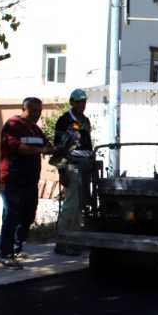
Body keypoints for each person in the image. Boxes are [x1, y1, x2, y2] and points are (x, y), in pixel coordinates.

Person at [0, 97, 53, 268]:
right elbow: (18, 148)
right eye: (33, 111)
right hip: (13, 178)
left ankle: (17, 249)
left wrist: (54, 148)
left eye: (39, 111)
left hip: (30, 180)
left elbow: (47, 145)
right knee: (11, 215)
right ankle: (4, 256)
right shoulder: (13, 125)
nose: (37, 114)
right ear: (24, 109)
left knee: (28, 215)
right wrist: (41, 150)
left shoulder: (35, 129)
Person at [52, 89, 93, 254]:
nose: (82, 104)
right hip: (71, 165)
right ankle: (62, 242)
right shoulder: (65, 120)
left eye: (84, 101)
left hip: (84, 165)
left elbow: (86, 143)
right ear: (72, 102)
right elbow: (59, 147)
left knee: (79, 206)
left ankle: (74, 240)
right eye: (78, 101)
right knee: (71, 205)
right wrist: (62, 171)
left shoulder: (85, 120)